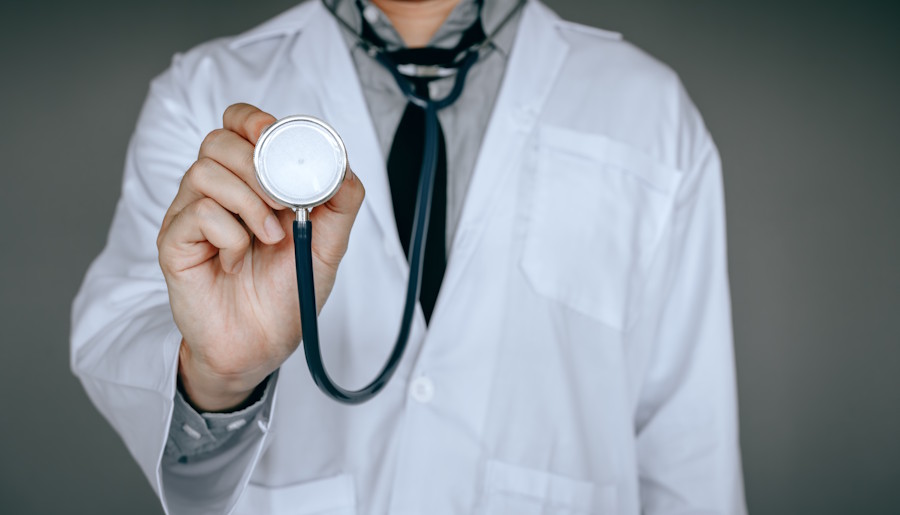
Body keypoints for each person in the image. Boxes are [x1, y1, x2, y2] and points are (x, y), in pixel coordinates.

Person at [71, 0, 747, 513]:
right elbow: (121, 340)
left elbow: (692, 443)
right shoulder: (204, 90)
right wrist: (217, 377)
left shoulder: (649, 108)